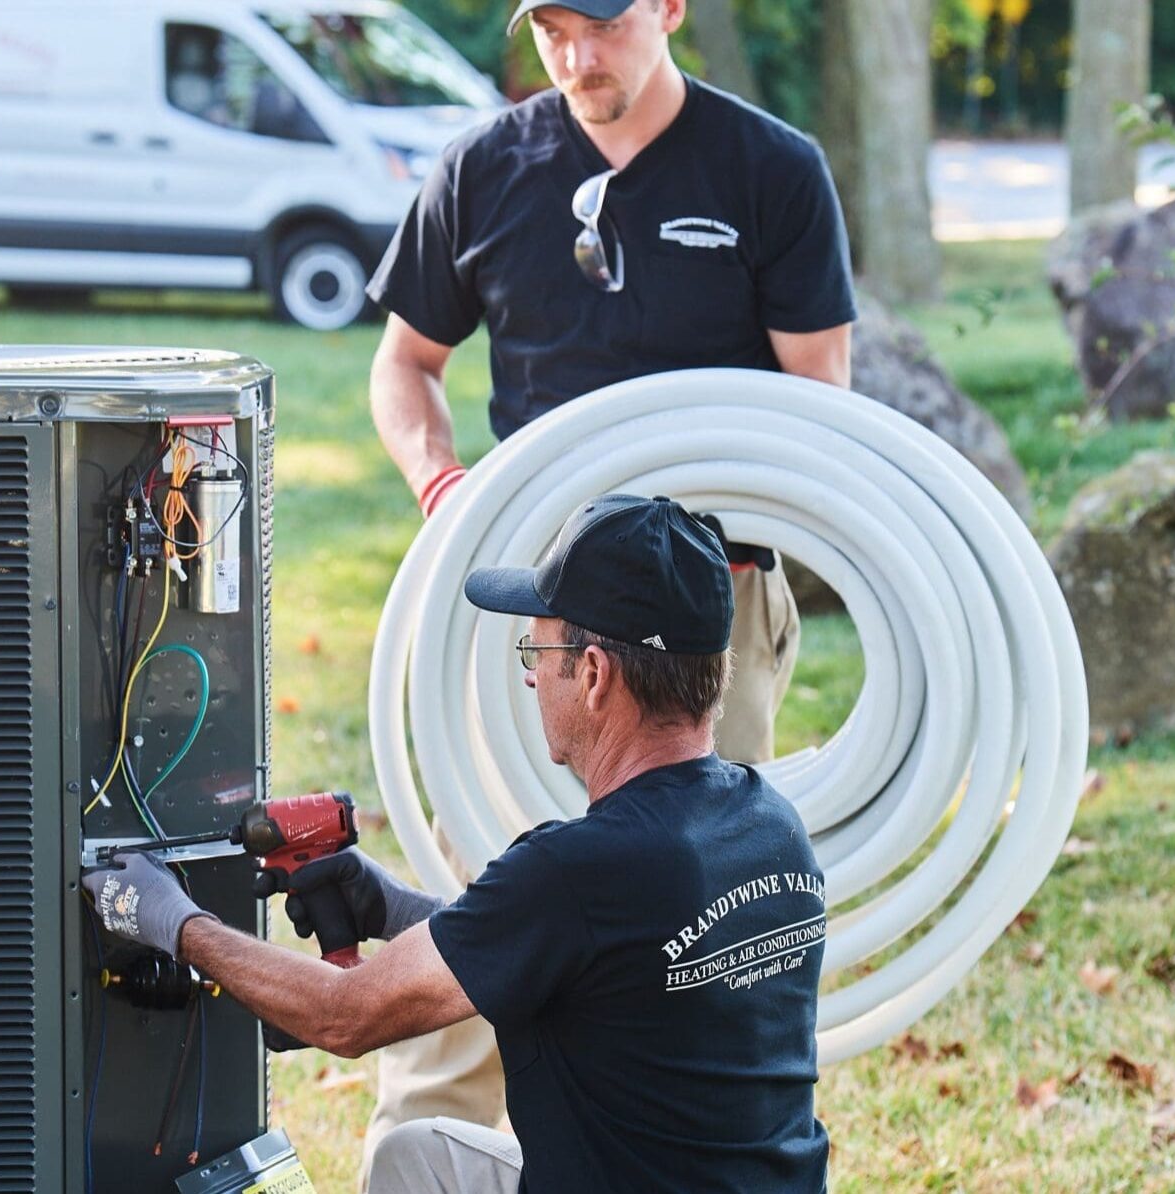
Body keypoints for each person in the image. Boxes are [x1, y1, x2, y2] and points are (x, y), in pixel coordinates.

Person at [364, 0, 855, 1156]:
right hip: (538, 598)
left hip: (706, 609)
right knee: (481, 866)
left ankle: (685, 1159)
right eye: (552, 30)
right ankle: (427, 1150)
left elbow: (822, 403)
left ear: (672, 9)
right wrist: (441, 485)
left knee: (697, 908)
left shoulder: (769, 169)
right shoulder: (484, 170)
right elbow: (405, 368)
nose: (580, 58)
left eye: (606, 25)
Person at [83, 494, 830, 1193]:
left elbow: (344, 1016)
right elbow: (597, 966)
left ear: (595, 675)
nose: (534, 683)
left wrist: (167, 917)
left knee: (414, 1156)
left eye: (536, 655)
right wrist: (396, 909)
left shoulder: (580, 869)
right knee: (419, 1157)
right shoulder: (771, 827)